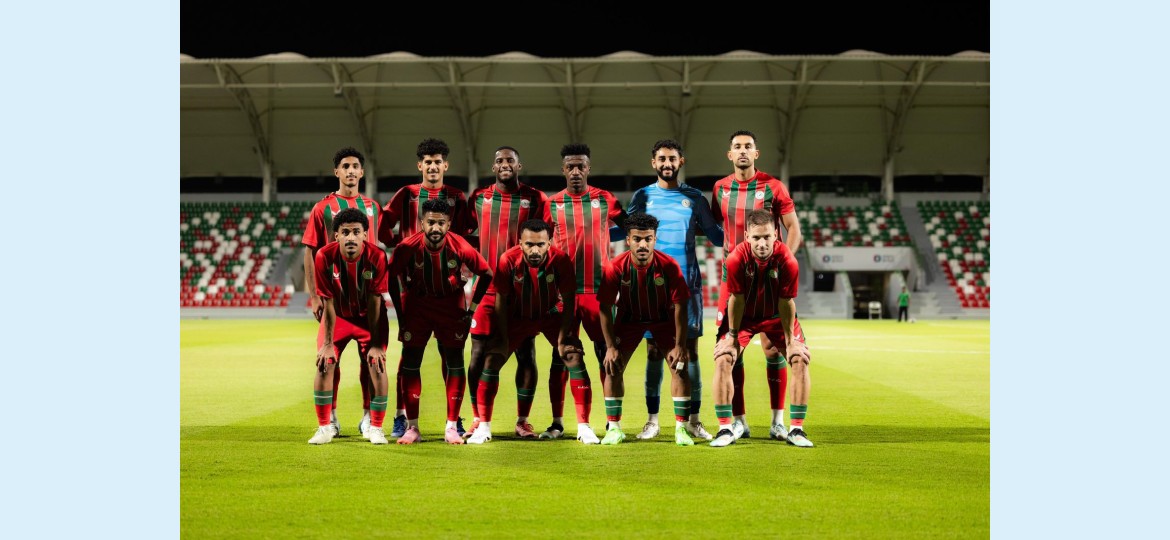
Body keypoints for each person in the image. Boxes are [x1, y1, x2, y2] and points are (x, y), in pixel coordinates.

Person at [466, 220, 599, 444]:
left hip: (549, 315)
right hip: (518, 316)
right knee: (492, 359)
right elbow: (501, 300)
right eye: (529, 244)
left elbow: (569, 300)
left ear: (549, 243)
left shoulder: (561, 260)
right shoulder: (508, 260)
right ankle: (484, 428)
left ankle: (584, 427)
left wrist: (564, 337)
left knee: (573, 356)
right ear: (520, 243)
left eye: (540, 244)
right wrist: (503, 338)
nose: (535, 250)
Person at [626, 139, 724, 442]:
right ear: (653, 163)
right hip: (649, 286)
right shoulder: (642, 196)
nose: (667, 164)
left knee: (690, 353)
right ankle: (652, 421)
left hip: (687, 286)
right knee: (654, 352)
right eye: (662, 159)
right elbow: (626, 229)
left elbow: (716, 236)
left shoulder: (694, 197)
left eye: (672, 158)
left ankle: (693, 420)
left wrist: (744, 225)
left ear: (681, 162)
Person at [379, 138, 477, 437]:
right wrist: (399, 245)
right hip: (414, 286)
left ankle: (454, 419)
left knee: (452, 354)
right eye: (428, 162)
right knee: (409, 354)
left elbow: (467, 233)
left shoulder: (456, 196)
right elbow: (383, 225)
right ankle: (401, 416)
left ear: (445, 165)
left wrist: (458, 260)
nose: (433, 167)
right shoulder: (407, 194)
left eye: (437, 162)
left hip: (449, 287)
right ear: (419, 165)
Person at [711, 130, 803, 439]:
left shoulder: (773, 187)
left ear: (756, 153)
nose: (742, 151)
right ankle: (739, 421)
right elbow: (717, 227)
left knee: (772, 349)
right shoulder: (720, 188)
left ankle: (778, 421)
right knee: (731, 348)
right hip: (734, 279)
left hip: (769, 278)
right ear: (730, 154)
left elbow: (793, 228)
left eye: (748, 146)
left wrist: (782, 265)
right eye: (737, 146)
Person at [385, 199, 493, 444]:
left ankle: (451, 426)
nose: (435, 228)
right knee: (411, 363)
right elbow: (390, 277)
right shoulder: (406, 247)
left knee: (455, 362)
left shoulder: (460, 245)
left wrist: (472, 310)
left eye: (441, 223)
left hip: (450, 306)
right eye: (431, 222)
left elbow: (486, 273)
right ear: (422, 223)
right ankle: (412, 427)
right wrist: (401, 314)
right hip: (417, 306)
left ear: (449, 224)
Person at [465, 147, 552, 439]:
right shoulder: (479, 197)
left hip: (521, 290)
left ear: (519, 166)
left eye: (510, 161)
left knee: (525, 353)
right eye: (500, 161)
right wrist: (467, 263)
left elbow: (546, 238)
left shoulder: (535, 198)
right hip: (486, 287)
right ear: (493, 167)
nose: (505, 164)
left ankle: (522, 420)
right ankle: (478, 417)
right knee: (478, 354)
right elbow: (464, 234)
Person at [545, 143, 628, 439]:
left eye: (581, 166)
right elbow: (538, 240)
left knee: (607, 355)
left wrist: (605, 234)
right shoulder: (552, 204)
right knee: (561, 357)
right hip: (563, 294)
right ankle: (558, 422)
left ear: (588, 168)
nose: (576, 171)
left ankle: (612, 422)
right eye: (570, 167)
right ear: (563, 170)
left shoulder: (604, 199)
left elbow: (628, 227)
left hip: (598, 292)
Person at [710, 211, 813, 448]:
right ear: (747, 236)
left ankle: (796, 429)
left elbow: (786, 302)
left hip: (776, 316)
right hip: (744, 318)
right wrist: (732, 338)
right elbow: (736, 299)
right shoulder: (735, 259)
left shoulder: (787, 260)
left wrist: (791, 342)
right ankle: (725, 428)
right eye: (756, 238)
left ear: (776, 234)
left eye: (767, 237)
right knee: (724, 358)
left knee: (799, 359)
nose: (762, 243)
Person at [301, 147, 381, 438]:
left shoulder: (373, 207)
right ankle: (331, 418)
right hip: (334, 299)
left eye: (355, 166)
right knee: (328, 359)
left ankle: (368, 417)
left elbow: (377, 248)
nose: (350, 171)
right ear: (336, 172)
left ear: (362, 172)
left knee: (370, 362)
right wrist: (314, 295)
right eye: (345, 166)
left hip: (366, 301)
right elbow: (310, 251)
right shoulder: (322, 208)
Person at [596, 213, 694, 446]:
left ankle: (681, 429)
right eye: (637, 239)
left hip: (663, 319)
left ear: (655, 239)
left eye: (648, 239)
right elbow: (605, 308)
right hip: (629, 320)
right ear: (628, 240)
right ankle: (614, 429)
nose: (643, 245)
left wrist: (680, 345)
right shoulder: (615, 267)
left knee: (680, 367)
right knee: (612, 367)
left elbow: (681, 306)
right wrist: (610, 347)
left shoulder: (668, 265)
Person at [307, 208, 391, 445]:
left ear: (365, 234)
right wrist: (327, 343)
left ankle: (376, 427)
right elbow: (328, 302)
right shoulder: (324, 256)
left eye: (356, 232)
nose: (351, 237)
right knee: (325, 361)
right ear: (337, 236)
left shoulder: (377, 256)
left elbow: (375, 302)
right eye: (345, 232)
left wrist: (376, 344)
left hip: (369, 319)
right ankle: (324, 427)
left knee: (376, 363)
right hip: (339, 317)